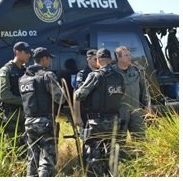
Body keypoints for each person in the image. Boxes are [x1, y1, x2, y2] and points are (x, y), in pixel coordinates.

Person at [74, 48, 125, 176]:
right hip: (114, 122)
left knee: (94, 158)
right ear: (110, 59)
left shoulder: (95, 75)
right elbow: (121, 96)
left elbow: (79, 95)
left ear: (98, 60)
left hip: (97, 123)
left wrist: (77, 116)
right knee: (111, 157)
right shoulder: (119, 76)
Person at [18, 47, 64, 177]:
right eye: (49, 59)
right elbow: (59, 98)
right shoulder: (47, 75)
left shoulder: (23, 78)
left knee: (32, 158)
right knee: (47, 160)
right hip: (45, 122)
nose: (49, 62)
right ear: (44, 59)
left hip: (29, 122)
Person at [0, 41, 32, 147]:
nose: (29, 55)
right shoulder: (5, 71)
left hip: (25, 114)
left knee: (26, 146)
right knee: (12, 146)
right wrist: (25, 101)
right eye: (26, 52)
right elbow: (4, 95)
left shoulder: (26, 71)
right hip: (12, 115)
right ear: (17, 52)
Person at [114, 46, 148, 143]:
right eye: (126, 55)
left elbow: (144, 89)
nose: (129, 57)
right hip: (120, 111)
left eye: (129, 55)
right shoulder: (112, 72)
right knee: (119, 140)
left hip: (136, 109)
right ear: (118, 57)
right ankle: (121, 157)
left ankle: (141, 156)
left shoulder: (136, 71)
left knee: (140, 137)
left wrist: (147, 105)